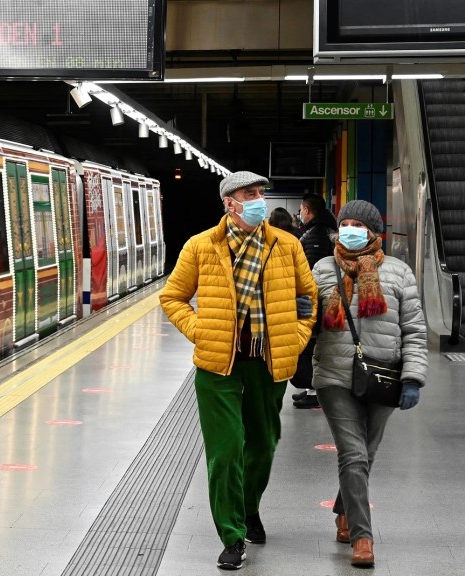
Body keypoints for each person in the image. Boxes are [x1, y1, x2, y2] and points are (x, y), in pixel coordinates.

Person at [160, 171, 317, 570]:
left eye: (261, 193)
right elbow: (172, 296)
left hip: (267, 363)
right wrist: (201, 331)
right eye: (250, 194)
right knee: (226, 451)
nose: (259, 199)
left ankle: (249, 509)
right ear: (229, 202)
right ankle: (232, 535)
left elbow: (308, 297)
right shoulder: (201, 247)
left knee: (262, 446)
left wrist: (295, 338)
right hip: (217, 368)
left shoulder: (285, 245)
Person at [311, 199, 427, 568]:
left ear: (374, 232)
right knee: (354, 453)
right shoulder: (323, 269)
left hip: (383, 378)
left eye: (357, 225)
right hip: (333, 375)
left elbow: (414, 330)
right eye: (344, 224)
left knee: (366, 454)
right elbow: (306, 319)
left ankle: (345, 509)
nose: (349, 230)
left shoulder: (398, 273)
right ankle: (362, 538)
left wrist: (413, 377)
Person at [291, 193, 339, 408]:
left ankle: (315, 391)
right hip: (321, 300)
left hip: (316, 301)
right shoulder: (321, 230)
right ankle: (312, 389)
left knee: (314, 347)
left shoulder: (315, 235)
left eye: (301, 209)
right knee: (314, 346)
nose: (300, 213)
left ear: (307, 211)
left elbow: (310, 273)